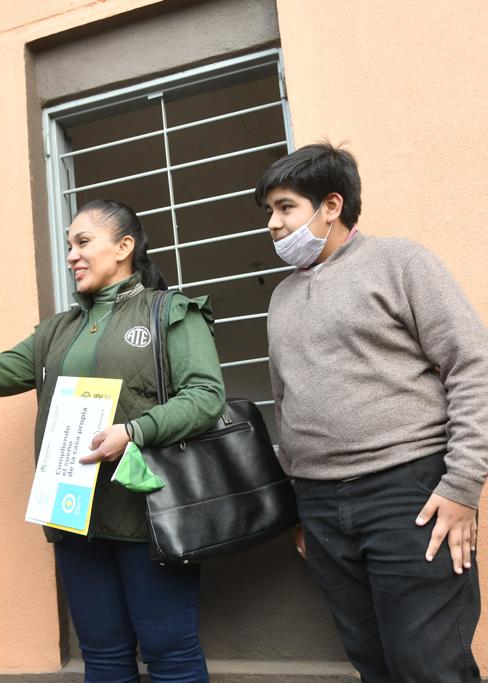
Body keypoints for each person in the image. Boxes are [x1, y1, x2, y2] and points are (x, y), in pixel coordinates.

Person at [0, 199, 224, 683]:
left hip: (151, 518)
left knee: (170, 653)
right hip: (73, 516)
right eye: (67, 246)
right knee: (101, 655)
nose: (71, 256)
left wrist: (134, 431)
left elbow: (206, 396)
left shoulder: (171, 311)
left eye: (83, 243)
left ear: (124, 247)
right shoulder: (58, 330)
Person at [257, 142, 488, 682]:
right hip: (319, 503)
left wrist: (462, 486)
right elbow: (286, 401)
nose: (273, 223)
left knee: (428, 665)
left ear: (331, 205)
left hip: (408, 491)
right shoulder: (282, 298)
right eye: (269, 211)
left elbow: (472, 366)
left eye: (286, 207)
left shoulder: (401, 261)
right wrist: (299, 507)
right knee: (372, 662)